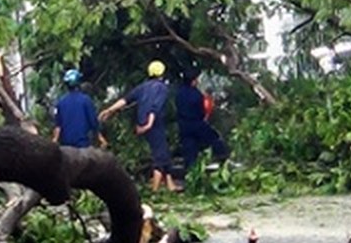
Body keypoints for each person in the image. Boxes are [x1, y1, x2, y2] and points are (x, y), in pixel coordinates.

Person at [99, 60, 182, 192]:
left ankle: (170, 185)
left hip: (145, 122)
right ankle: (155, 190)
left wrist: (109, 110)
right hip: (153, 124)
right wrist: (148, 124)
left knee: (164, 152)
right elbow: (155, 106)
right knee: (160, 155)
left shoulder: (143, 87)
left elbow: (126, 100)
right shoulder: (161, 88)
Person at [174, 68, 230, 176]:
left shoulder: (179, 93)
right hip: (197, 123)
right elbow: (202, 111)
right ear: (193, 81)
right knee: (215, 139)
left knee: (189, 149)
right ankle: (223, 160)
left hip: (183, 126)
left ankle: (191, 173)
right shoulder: (197, 95)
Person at [52, 68, 105, 149]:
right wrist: (101, 138)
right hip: (83, 146)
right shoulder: (86, 100)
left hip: (66, 148)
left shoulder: (60, 103)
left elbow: (58, 126)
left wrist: (54, 141)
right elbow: (93, 123)